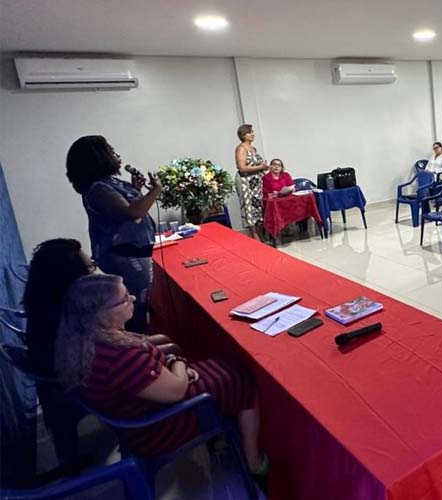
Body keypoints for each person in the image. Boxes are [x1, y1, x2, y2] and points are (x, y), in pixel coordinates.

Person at [54, 274, 268, 477]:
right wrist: (178, 364)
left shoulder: (84, 340)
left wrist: (174, 368)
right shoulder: (120, 356)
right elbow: (176, 390)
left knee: (216, 365)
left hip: (138, 410)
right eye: (125, 298)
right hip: (156, 428)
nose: (134, 299)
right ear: (102, 313)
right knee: (241, 379)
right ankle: (253, 461)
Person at [23, 239, 180, 467]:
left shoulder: (47, 305)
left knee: (163, 343)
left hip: (88, 375)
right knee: (170, 348)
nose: (95, 271)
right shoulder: (72, 319)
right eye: (90, 267)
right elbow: (117, 348)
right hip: (89, 383)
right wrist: (166, 357)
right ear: (71, 276)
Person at [66, 135, 159, 334]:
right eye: (110, 150)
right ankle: (140, 351)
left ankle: (146, 346)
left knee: (143, 304)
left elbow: (132, 210)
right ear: (99, 158)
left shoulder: (110, 182)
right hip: (125, 257)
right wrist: (155, 191)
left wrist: (136, 190)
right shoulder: (98, 189)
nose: (116, 154)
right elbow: (131, 213)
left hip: (135, 252)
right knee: (135, 308)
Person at [235, 124, 270, 241]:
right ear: (243, 135)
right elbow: (242, 168)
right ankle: (255, 235)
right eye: (250, 132)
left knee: (257, 207)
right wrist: (260, 167)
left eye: (252, 132)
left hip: (256, 183)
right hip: (246, 182)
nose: (252, 134)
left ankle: (261, 233)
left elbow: (257, 166)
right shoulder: (241, 149)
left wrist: (263, 168)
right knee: (249, 208)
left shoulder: (253, 149)